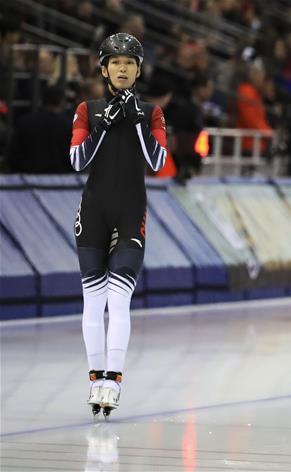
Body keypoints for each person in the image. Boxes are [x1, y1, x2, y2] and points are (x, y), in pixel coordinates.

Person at [69, 32, 167, 417]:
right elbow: (77, 161)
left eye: (129, 63)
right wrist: (104, 125)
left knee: (119, 299)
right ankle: (96, 379)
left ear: (138, 70)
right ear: (104, 69)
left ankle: (114, 381)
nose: (122, 68)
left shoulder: (152, 112)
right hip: (93, 211)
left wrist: (138, 121)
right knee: (93, 300)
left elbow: (157, 163)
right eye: (116, 62)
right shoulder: (87, 110)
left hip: (130, 212)